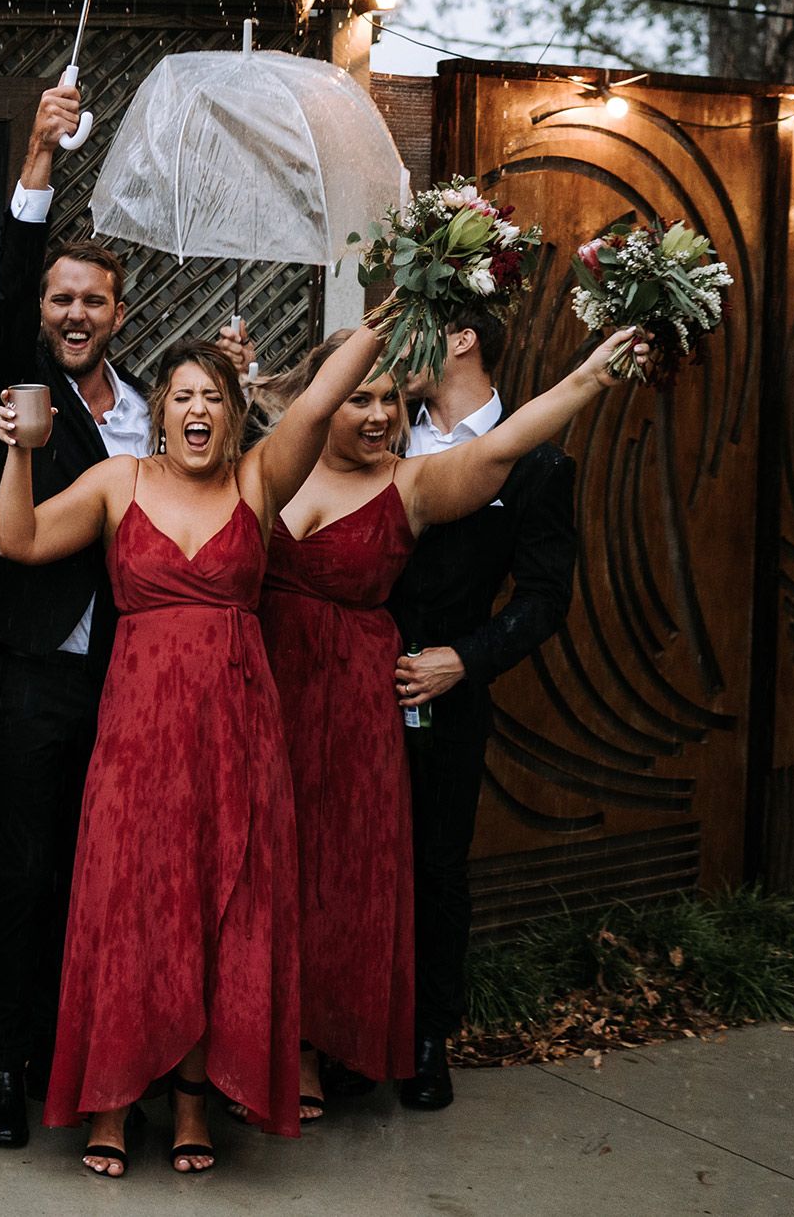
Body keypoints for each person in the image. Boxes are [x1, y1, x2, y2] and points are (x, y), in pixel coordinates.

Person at [0, 327, 388, 1176]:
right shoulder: (117, 480)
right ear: (161, 414)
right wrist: (21, 454)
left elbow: (320, 399)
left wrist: (391, 312)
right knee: (129, 908)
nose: (199, 408)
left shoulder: (257, 480)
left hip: (238, 739)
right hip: (137, 739)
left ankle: (191, 1102)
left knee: (223, 914)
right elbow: (18, 541)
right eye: (183, 396)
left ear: (233, 411)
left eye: (214, 395)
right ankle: (108, 1098)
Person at [246, 324, 637, 1119]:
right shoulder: (274, 463)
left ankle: (358, 1042)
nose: (383, 412)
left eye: (391, 397)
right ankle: (257, 1039)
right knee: (264, 865)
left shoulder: (412, 480)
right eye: (363, 396)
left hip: (374, 695)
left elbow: (503, 453)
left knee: (363, 873)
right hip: (268, 687)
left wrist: (590, 378)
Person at [0, 84, 149, 1148]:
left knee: (95, 871)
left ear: (118, 312)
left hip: (129, 677)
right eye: (59, 298)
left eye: (92, 300)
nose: (73, 312)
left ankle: (68, 1055)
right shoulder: (18, 394)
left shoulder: (159, 414)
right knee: (22, 868)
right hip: (31, 670)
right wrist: (37, 152)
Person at [390, 313, 586, 1111]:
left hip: (448, 689)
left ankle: (429, 1034)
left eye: (414, 329)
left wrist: (465, 658)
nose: (396, 346)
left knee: (436, 864)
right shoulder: (379, 424)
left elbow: (545, 599)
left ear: (461, 337)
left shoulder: (536, 463)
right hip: (348, 675)